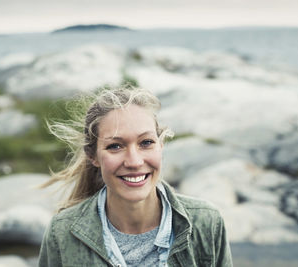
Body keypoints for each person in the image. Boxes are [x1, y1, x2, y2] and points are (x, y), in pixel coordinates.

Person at [39, 86, 233, 267]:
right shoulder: (62, 233)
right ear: (93, 156)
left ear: (161, 145)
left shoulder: (206, 222)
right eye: (115, 146)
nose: (134, 162)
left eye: (146, 142)